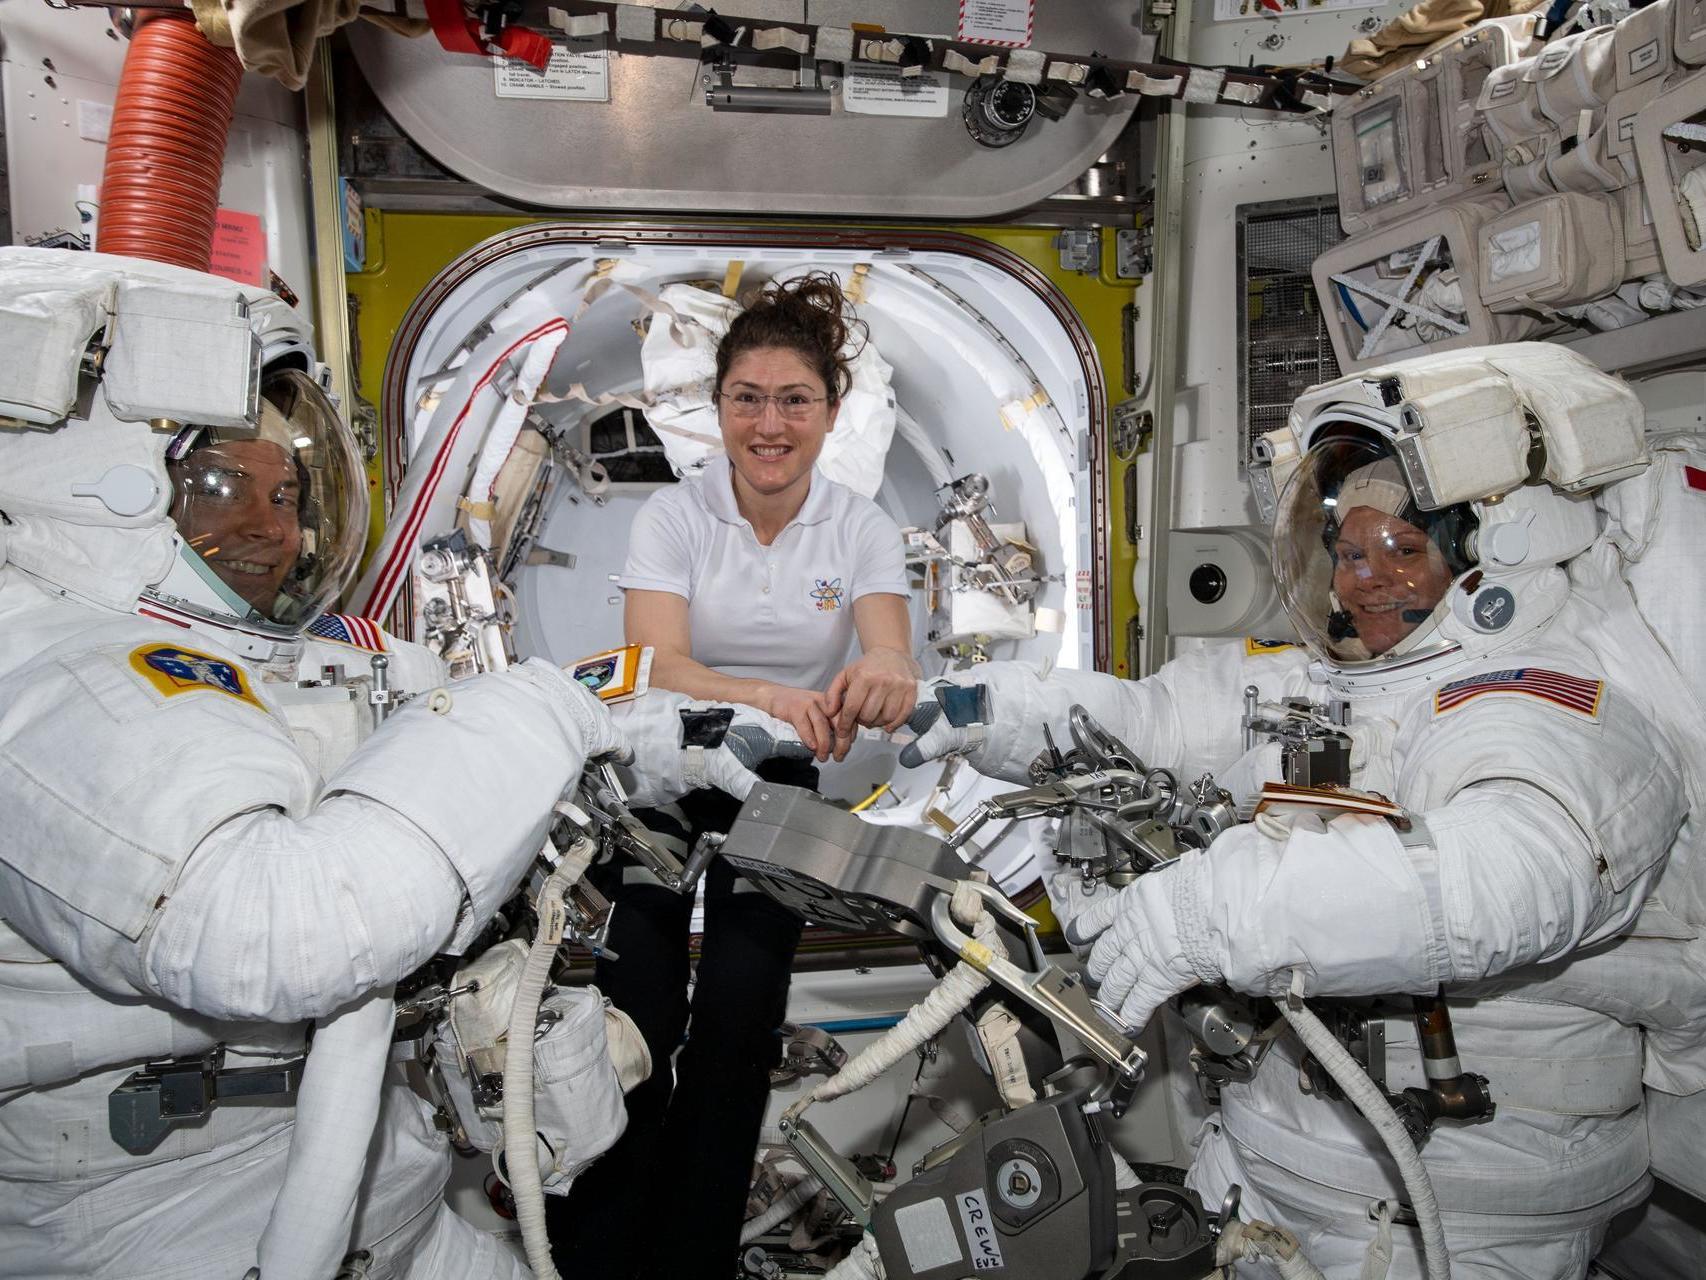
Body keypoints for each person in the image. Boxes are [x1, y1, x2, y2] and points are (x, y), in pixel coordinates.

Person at [0, 247, 789, 1279]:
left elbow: (442, 767)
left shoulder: (297, 662)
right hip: (170, 1217)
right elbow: (276, 926)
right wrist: (548, 707)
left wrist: (637, 743)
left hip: (376, 1180)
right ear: (87, 485)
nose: (267, 528)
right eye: (220, 482)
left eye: (287, 493)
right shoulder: (51, 678)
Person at [908, 344, 1701, 1278]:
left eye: (1402, 553)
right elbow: (1157, 720)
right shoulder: (1335, 684)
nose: (1363, 581)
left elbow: (1509, 880)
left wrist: (1212, 913)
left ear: (1497, 557)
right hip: (1265, 1153)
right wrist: (985, 710)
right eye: (1348, 551)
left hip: (1458, 1202)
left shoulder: (1552, 704)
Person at [550, 273, 918, 1279]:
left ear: (829, 412)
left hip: (780, 777)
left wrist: (885, 669)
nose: (769, 422)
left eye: (793, 398)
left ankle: (691, 1255)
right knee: (641, 1008)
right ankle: (596, 1247)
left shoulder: (860, 526)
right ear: (717, 410)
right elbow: (654, 662)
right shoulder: (673, 517)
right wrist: (768, 688)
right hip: (667, 762)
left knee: (738, 1011)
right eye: (746, 397)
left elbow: (888, 646)